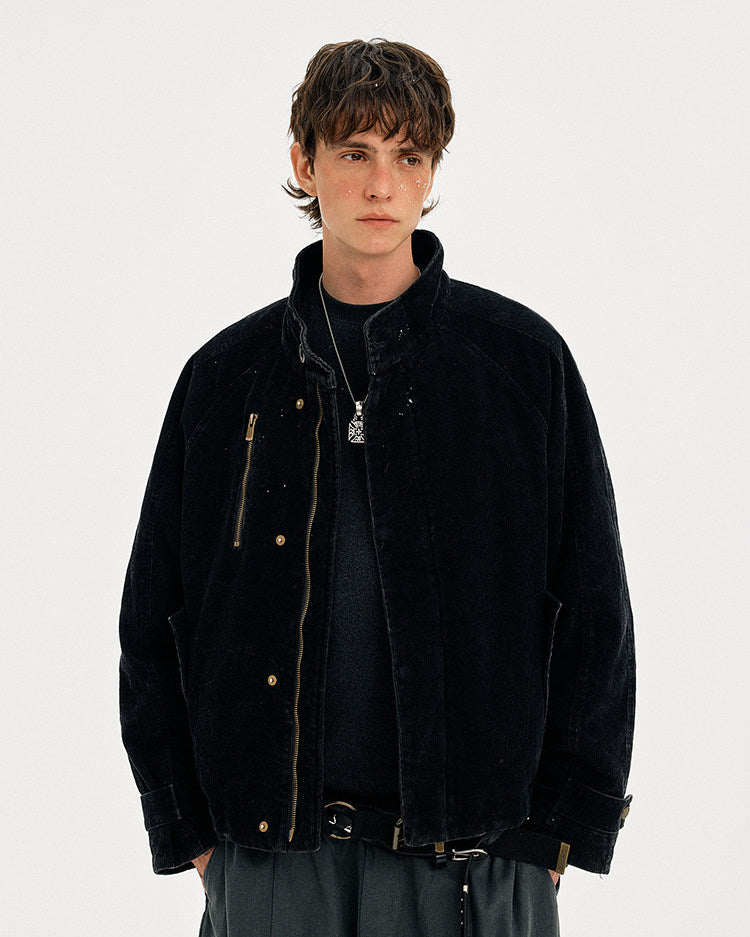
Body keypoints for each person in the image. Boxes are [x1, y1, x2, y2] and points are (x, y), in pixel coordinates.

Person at [118, 38, 635, 937]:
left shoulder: (522, 364)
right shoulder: (224, 378)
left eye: (409, 156)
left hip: (477, 865)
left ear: (432, 173)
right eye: (355, 153)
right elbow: (153, 617)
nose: (382, 185)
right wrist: (192, 833)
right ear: (305, 163)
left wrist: (559, 832)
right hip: (271, 864)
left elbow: (595, 610)